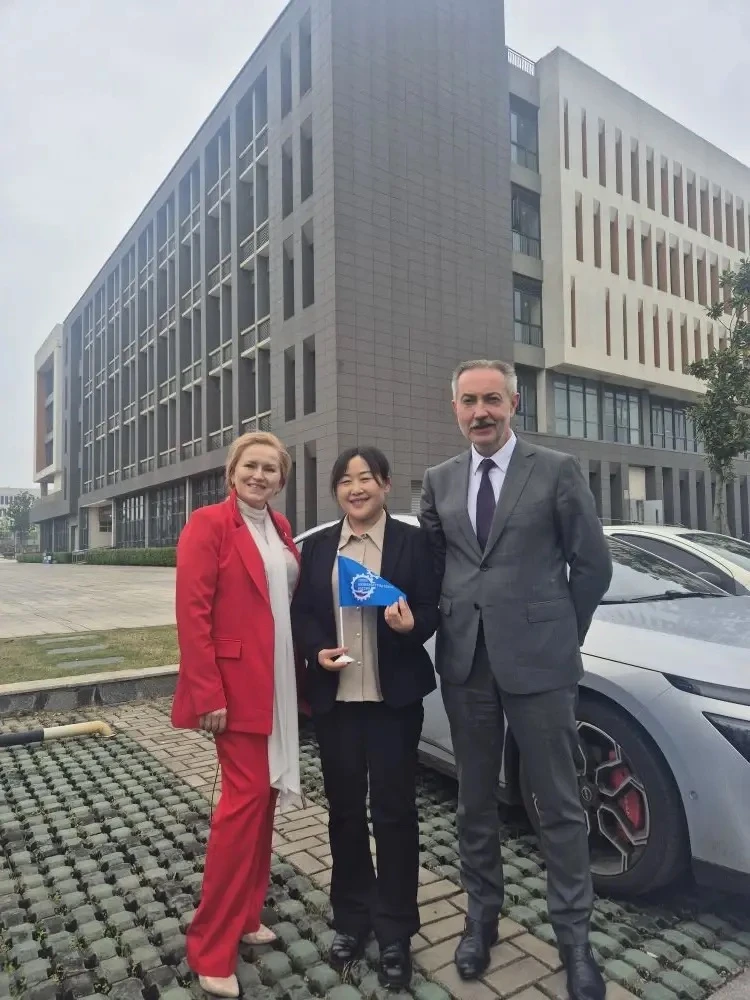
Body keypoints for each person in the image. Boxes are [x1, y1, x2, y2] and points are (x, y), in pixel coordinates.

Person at [420, 360, 612, 1000]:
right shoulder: (438, 480)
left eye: (492, 400)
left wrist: (560, 633)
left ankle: (575, 941)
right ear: (455, 408)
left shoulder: (556, 470)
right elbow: (436, 567)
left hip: (541, 664)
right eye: (469, 401)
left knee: (558, 804)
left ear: (514, 403)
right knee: (474, 801)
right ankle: (481, 920)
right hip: (466, 663)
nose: (481, 412)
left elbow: (592, 565)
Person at [291, 446, 439, 990]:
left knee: (395, 814)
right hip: (337, 705)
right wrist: (316, 652)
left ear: (385, 484)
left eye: (367, 478)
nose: (356, 489)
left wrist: (411, 626)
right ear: (336, 491)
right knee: (346, 813)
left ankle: (397, 928)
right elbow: (304, 613)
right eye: (346, 481)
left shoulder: (412, 543)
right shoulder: (319, 548)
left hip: (392, 702)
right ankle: (352, 917)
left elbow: (432, 607)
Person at [171, 431, 302, 999]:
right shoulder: (208, 524)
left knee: (263, 804)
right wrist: (208, 693)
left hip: (278, 683)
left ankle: (247, 915)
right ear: (232, 472)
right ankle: (210, 946)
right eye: (251, 465)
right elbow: (192, 611)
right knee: (241, 808)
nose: (259, 475)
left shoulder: (280, 527)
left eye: (270, 469)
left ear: (281, 480)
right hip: (235, 690)